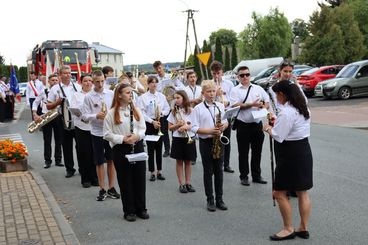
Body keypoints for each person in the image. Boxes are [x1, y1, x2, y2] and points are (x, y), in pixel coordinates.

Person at [263, 80, 313, 241]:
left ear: (282, 95)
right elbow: (289, 127)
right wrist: (276, 124)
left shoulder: (287, 112)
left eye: (276, 95)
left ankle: (288, 229)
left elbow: (279, 135)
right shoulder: (302, 107)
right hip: (303, 149)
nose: (276, 98)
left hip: (289, 153)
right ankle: (303, 228)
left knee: (278, 192)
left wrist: (269, 128)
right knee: (302, 191)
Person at [103, 83, 149, 222]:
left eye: (131, 92)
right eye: (128, 92)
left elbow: (142, 128)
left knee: (140, 179)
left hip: (137, 146)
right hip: (121, 149)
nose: (131, 95)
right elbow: (106, 134)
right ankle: (129, 211)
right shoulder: (111, 114)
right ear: (119, 95)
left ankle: (141, 208)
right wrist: (123, 139)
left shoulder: (136, 110)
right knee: (125, 180)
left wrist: (137, 136)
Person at [81, 70, 120, 201]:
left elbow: (116, 109)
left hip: (109, 131)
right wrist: (96, 115)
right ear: (93, 81)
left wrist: (112, 115)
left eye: (102, 81)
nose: (100, 84)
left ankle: (111, 187)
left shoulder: (110, 93)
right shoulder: (88, 97)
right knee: (99, 162)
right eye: (97, 81)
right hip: (97, 132)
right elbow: (84, 116)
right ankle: (102, 188)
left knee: (111, 160)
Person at [191, 80, 228, 212]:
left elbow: (225, 121)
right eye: (208, 92)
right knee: (208, 171)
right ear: (203, 93)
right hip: (206, 142)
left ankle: (220, 199)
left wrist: (224, 125)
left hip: (218, 141)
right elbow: (194, 127)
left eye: (213, 91)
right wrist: (209, 131)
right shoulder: (198, 108)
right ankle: (210, 199)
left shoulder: (220, 106)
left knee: (219, 171)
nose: (212, 94)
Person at [230, 65, 270, 186]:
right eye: (242, 75)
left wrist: (264, 106)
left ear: (250, 75)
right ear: (238, 77)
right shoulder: (235, 90)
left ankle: (256, 175)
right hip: (243, 125)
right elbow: (235, 105)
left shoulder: (257, 88)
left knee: (257, 152)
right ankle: (244, 176)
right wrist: (252, 104)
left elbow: (267, 100)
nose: (245, 77)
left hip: (257, 124)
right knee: (243, 152)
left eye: (247, 74)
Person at [47, 65, 80, 178]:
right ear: (60, 75)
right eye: (65, 73)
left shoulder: (77, 86)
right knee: (66, 146)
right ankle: (70, 169)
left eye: (69, 73)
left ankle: (82, 167)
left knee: (80, 146)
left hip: (77, 120)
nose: (68, 75)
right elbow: (48, 105)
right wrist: (57, 102)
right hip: (62, 120)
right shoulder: (55, 88)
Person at [137, 76, 170, 181]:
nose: (154, 84)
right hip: (150, 124)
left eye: (156, 82)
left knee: (159, 148)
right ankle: (152, 172)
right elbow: (141, 112)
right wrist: (152, 121)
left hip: (160, 122)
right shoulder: (143, 97)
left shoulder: (161, 96)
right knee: (151, 149)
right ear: (148, 84)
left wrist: (161, 113)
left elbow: (167, 108)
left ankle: (160, 171)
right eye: (151, 82)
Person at [69, 74, 98, 188]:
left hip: (94, 127)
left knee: (94, 153)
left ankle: (95, 177)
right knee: (83, 153)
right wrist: (82, 115)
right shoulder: (76, 95)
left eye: (90, 80)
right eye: (85, 81)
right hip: (81, 127)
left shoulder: (95, 95)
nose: (88, 83)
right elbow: (73, 109)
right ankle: (85, 179)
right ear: (81, 83)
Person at [153, 60, 184, 157]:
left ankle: (177, 148)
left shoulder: (171, 77)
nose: (159, 70)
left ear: (162, 67)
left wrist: (174, 88)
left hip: (173, 104)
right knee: (165, 130)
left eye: (160, 68)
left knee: (177, 127)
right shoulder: (156, 80)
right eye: (156, 69)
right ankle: (167, 149)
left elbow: (182, 87)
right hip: (163, 106)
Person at [167, 90, 196, 193]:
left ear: (184, 98)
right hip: (178, 138)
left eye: (178, 97)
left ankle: (188, 182)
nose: (176, 100)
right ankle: (181, 183)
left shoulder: (191, 110)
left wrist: (186, 127)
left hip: (189, 137)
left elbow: (195, 125)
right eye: (175, 98)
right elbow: (170, 128)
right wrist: (178, 125)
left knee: (188, 161)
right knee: (179, 161)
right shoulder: (173, 112)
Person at [32, 74, 63, 169]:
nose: (54, 81)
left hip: (58, 116)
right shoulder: (43, 91)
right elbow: (35, 102)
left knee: (59, 140)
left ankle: (58, 160)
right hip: (46, 117)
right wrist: (35, 114)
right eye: (52, 80)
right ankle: (47, 161)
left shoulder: (61, 91)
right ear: (48, 82)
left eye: (56, 80)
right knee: (47, 140)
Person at [210, 61, 235, 173]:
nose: (216, 76)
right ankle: (215, 163)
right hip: (213, 114)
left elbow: (233, 99)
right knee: (214, 139)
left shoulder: (229, 84)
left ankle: (226, 164)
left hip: (225, 114)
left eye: (218, 73)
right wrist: (216, 94)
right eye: (214, 73)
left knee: (226, 139)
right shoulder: (209, 84)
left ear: (222, 72)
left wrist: (227, 102)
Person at [183, 71, 201, 165]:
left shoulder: (200, 88)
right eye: (190, 77)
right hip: (189, 113)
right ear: (187, 79)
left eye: (194, 77)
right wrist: (194, 100)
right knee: (191, 136)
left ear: (196, 78)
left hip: (199, 113)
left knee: (201, 134)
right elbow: (183, 101)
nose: (193, 79)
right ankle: (192, 156)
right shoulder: (184, 89)